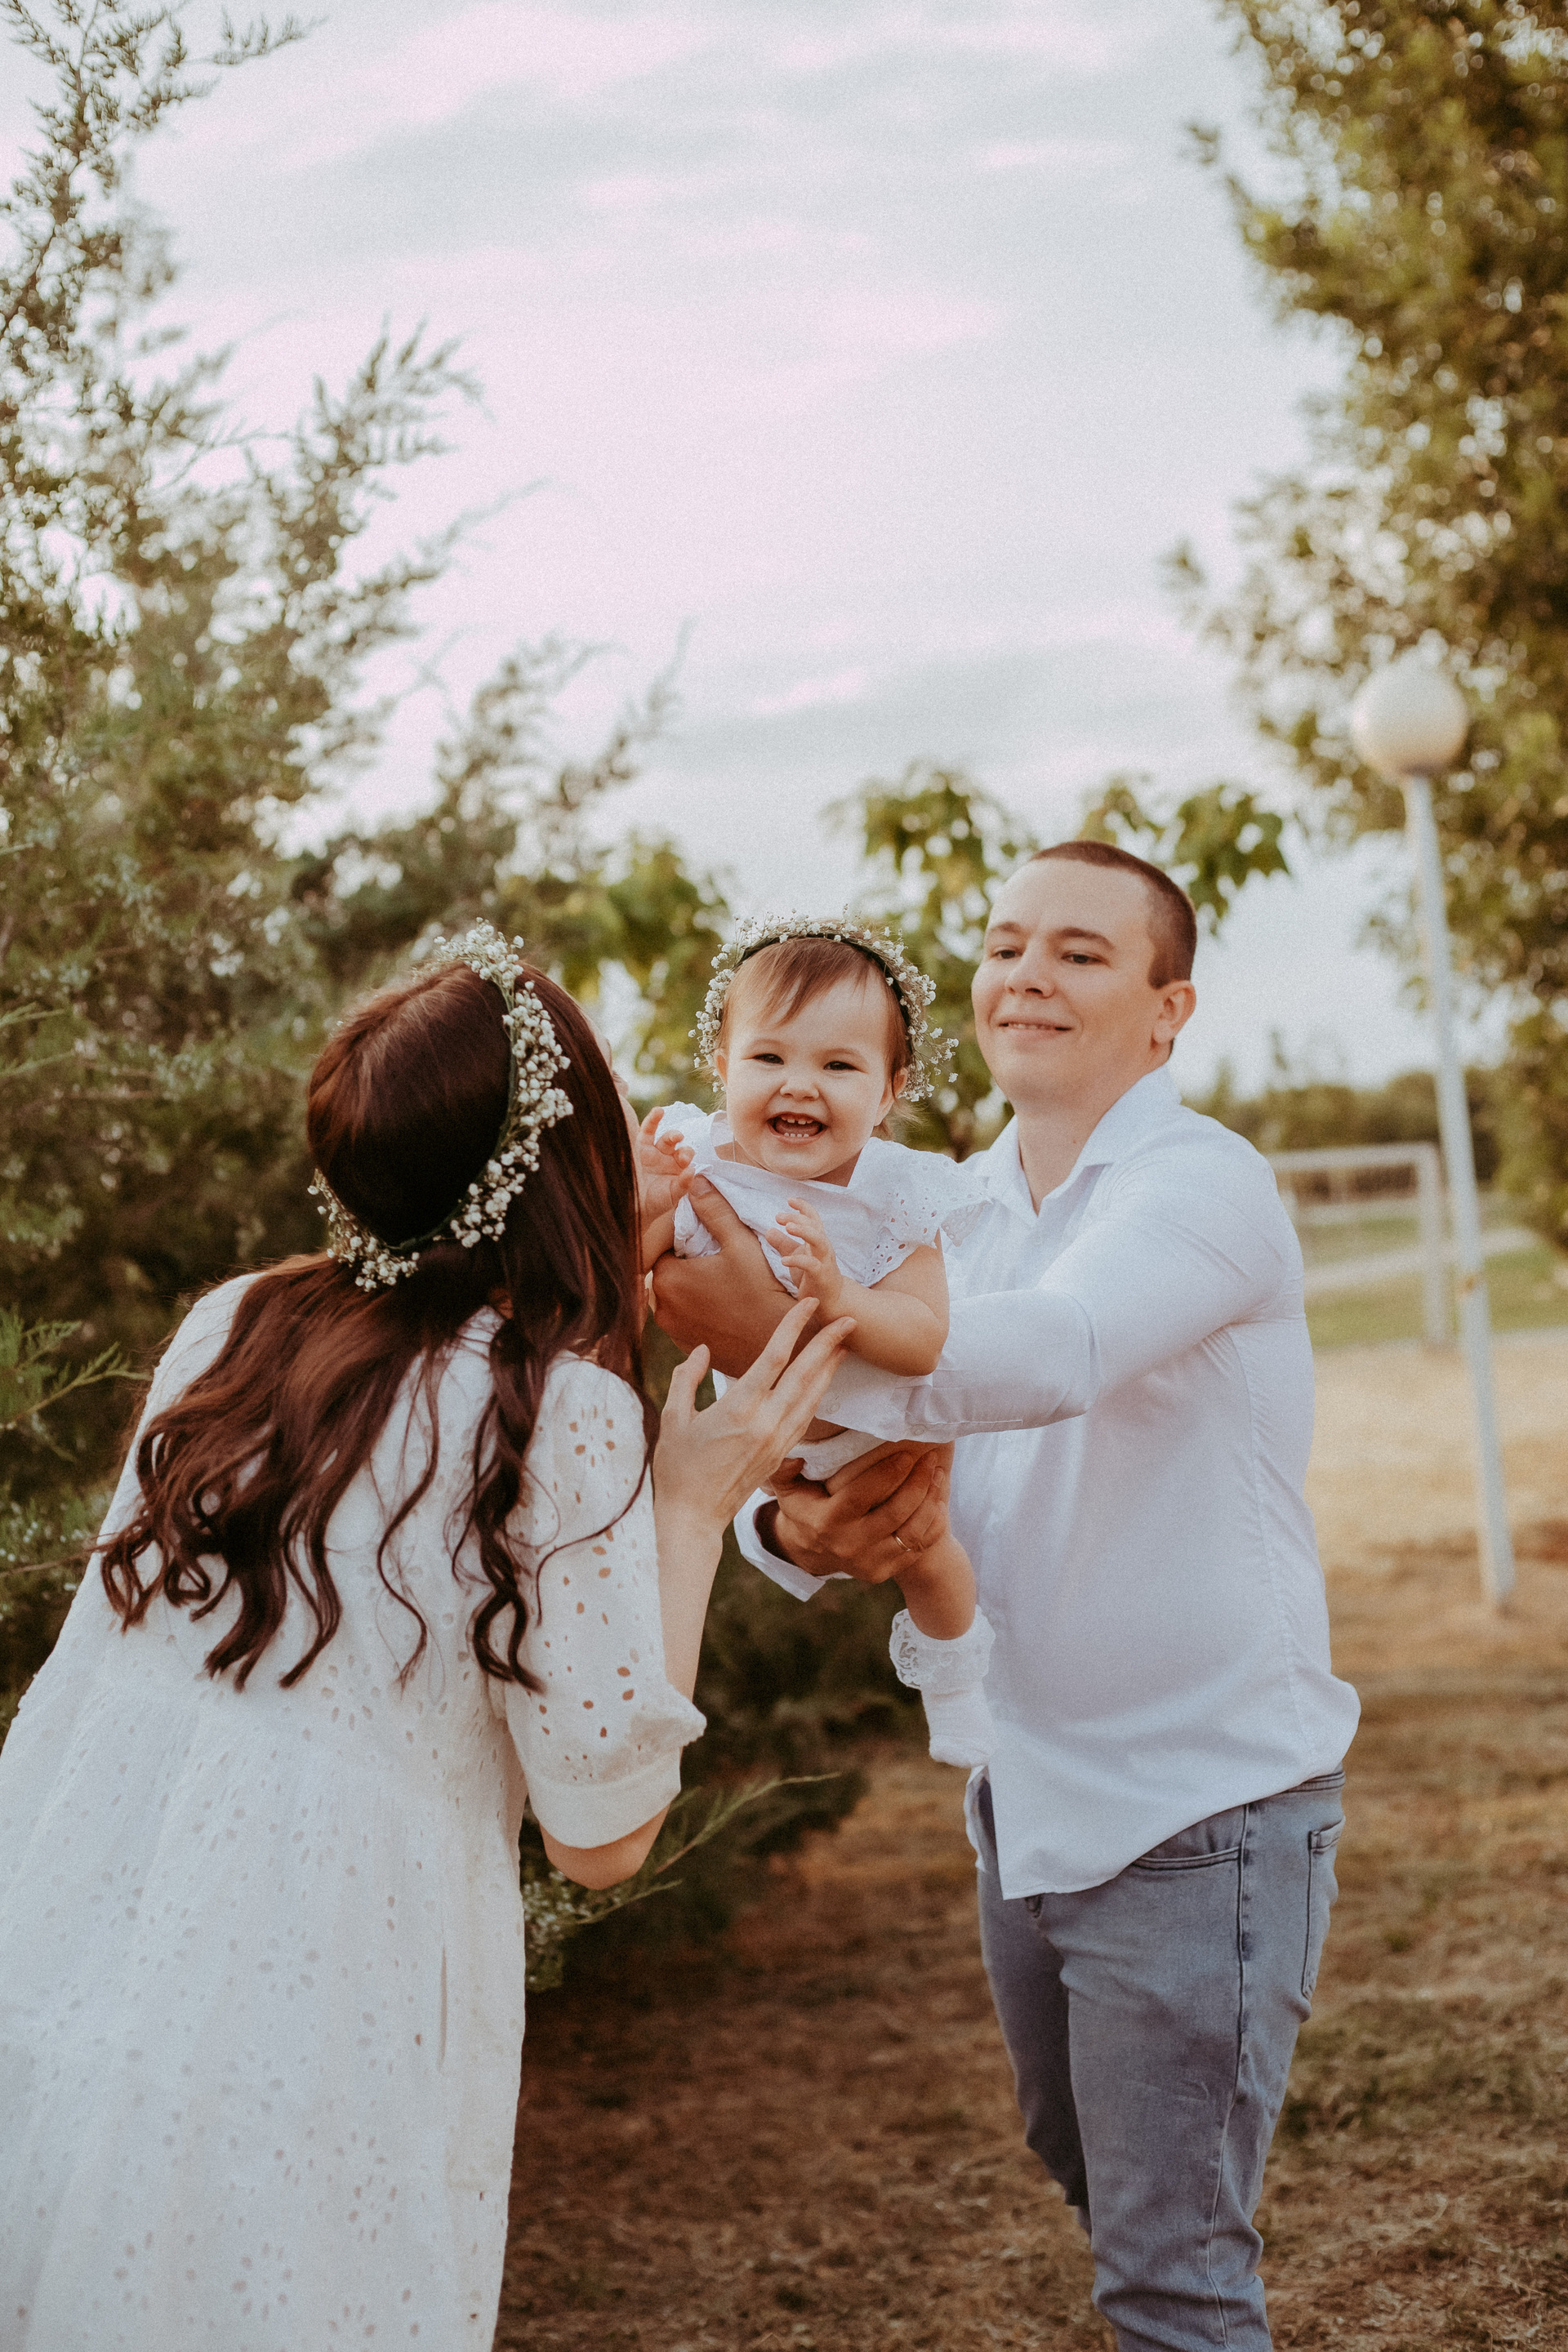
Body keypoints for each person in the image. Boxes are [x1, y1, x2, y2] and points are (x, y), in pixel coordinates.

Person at [0, 922, 849, 2352]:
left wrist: (594, 1270)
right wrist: (692, 1507)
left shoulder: (235, 1327)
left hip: (80, 1944)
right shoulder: (561, 1412)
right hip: (328, 2005)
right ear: (559, 1158)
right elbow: (604, 1835)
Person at [653, 843, 1361, 2352]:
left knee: (1169, 2275)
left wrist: (775, 1328)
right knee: (1085, 2167)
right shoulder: (945, 1207)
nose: (1028, 974)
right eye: (1005, 944)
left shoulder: (1204, 1185)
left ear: (1168, 1011)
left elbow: (1056, 1353)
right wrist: (795, 1521)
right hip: (1025, 1792)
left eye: (1080, 953)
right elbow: (899, 1458)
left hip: (1199, 1800)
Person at [639, 914, 995, 1766]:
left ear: (889, 1090)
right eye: (769, 1057)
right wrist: (642, 1206)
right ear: (722, 1064)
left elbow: (921, 1339)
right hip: (757, 1444)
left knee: (929, 1557)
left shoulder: (897, 1194)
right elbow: (629, 1280)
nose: (800, 1086)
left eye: (839, 1065)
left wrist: (840, 1296)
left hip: (876, 1443)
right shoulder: (695, 1159)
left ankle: (957, 1691)